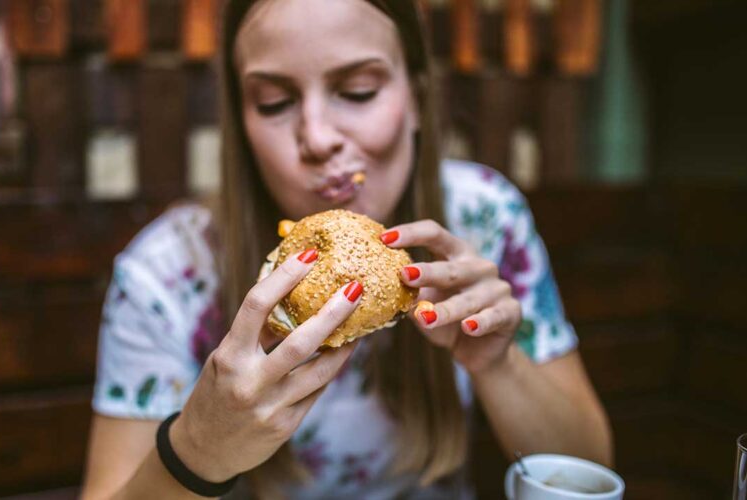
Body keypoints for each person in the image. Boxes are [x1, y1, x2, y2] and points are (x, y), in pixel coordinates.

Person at [80, 0, 612, 498]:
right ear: (241, 126)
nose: (317, 137)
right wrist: (197, 449)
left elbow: (589, 470)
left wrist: (499, 365)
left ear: (419, 101)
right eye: (275, 102)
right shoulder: (166, 273)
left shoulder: (485, 217)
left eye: (358, 91)